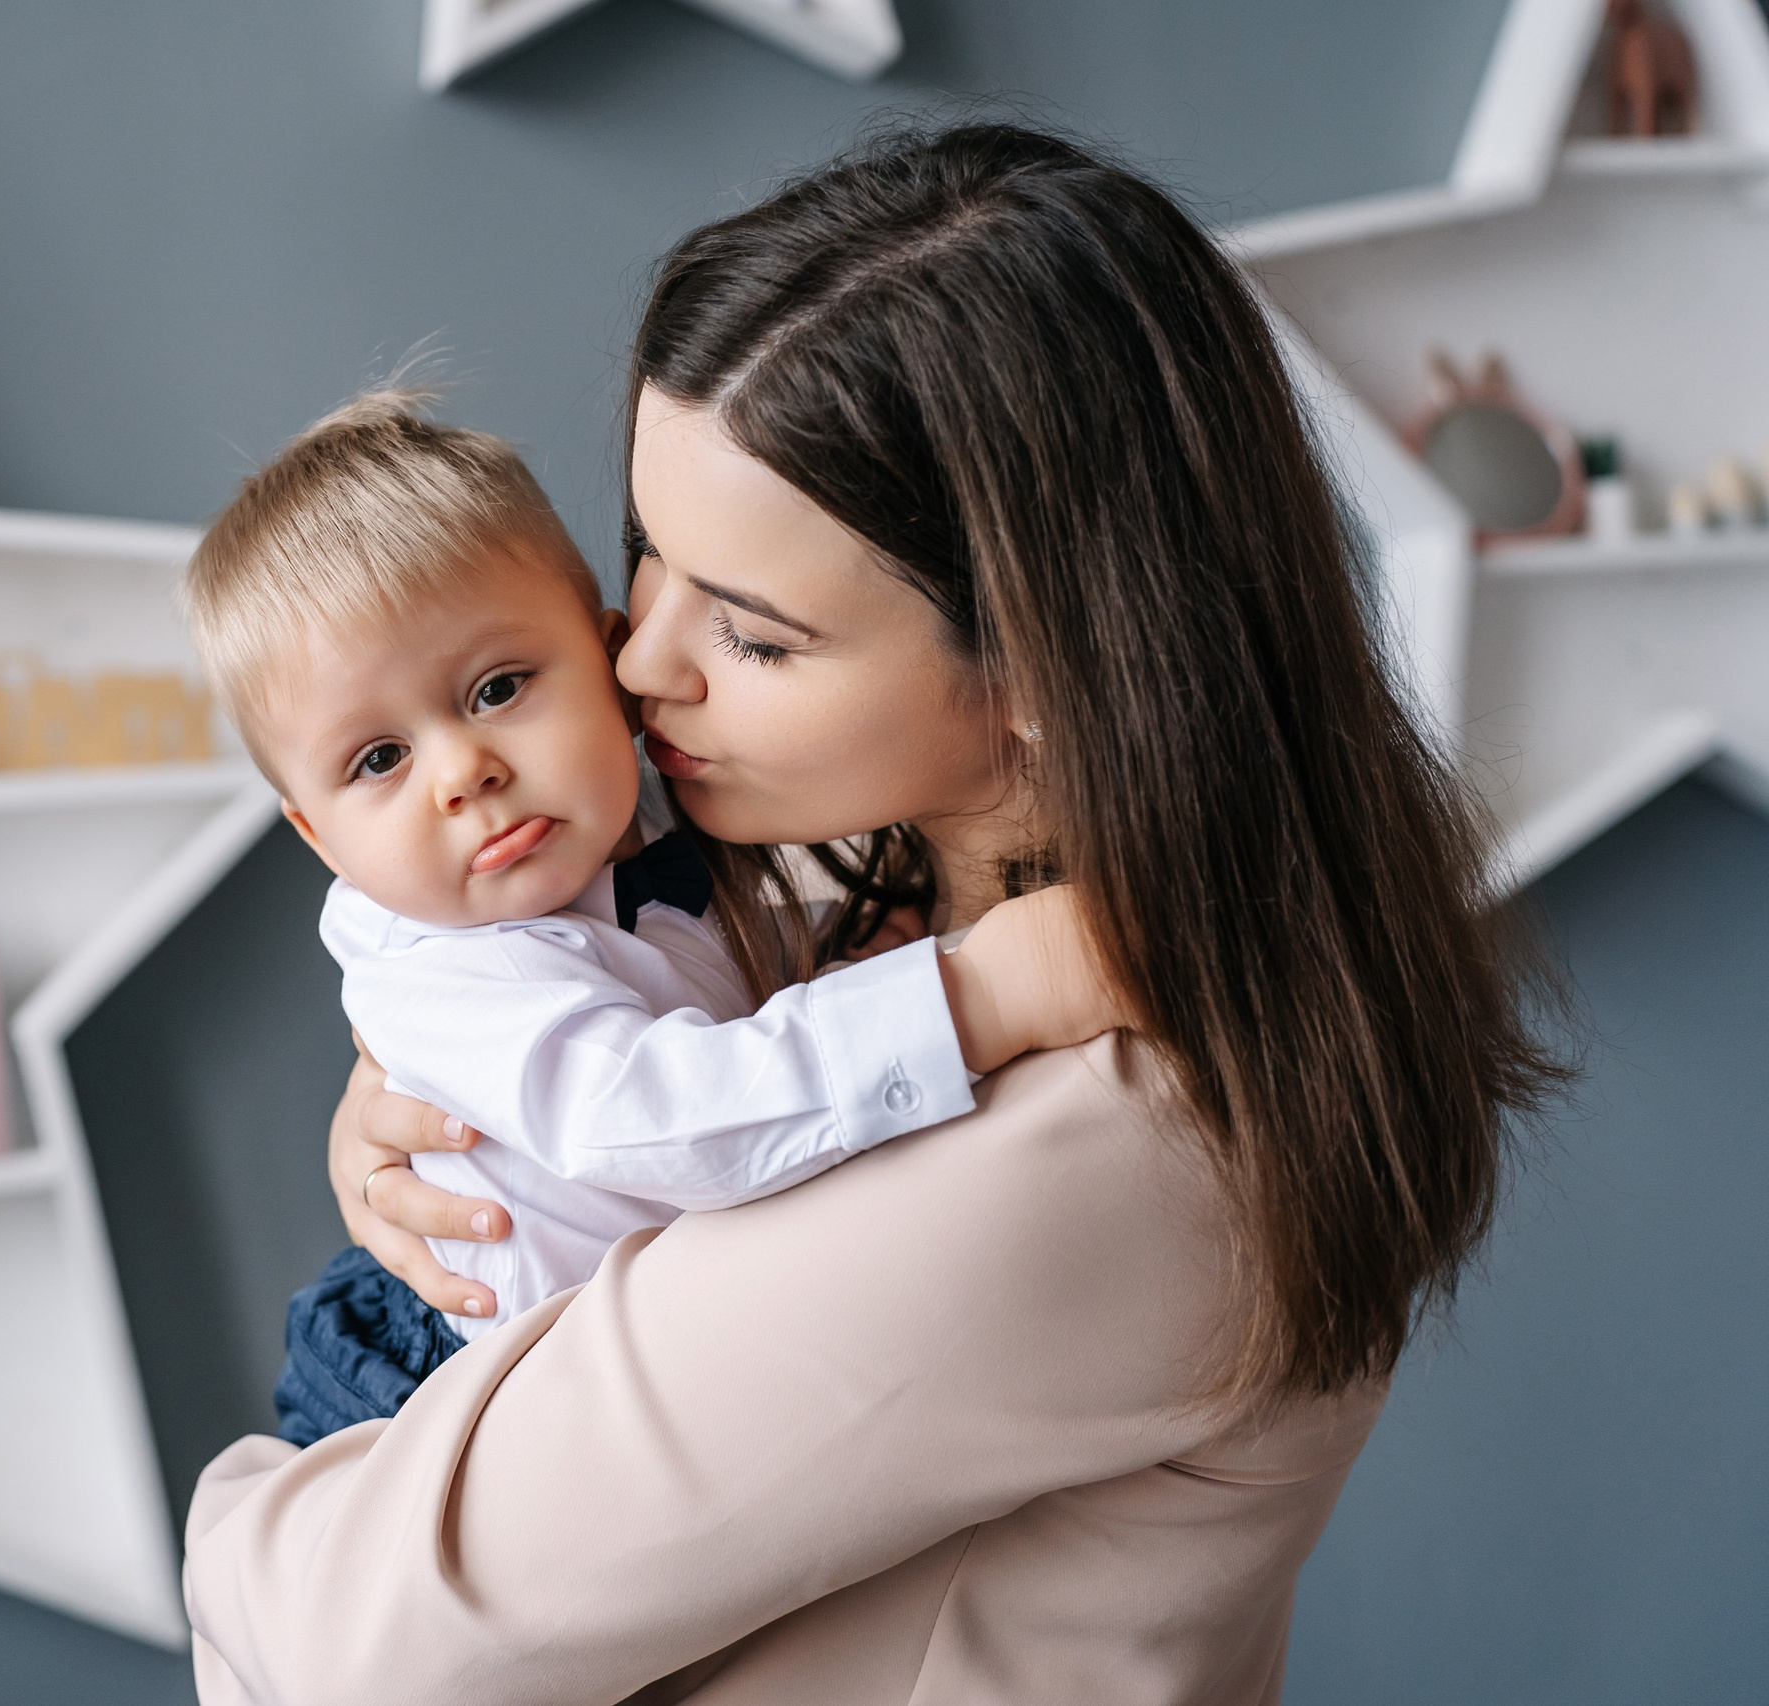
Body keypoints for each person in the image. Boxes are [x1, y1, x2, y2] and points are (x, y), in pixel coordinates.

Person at [180, 123, 1567, 1704]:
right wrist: (429, 1104)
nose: (639, 664)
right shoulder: (890, 886)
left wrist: (242, 1524)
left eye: (756, 636)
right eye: (648, 561)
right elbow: (648, 1062)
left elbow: (326, 1654)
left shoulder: (1097, 1132)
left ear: (1047, 672)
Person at [180, 389, 1119, 1447]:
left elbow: (720, 962)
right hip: (424, 1379)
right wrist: (979, 992)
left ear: (606, 659)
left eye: (497, 688)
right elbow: (665, 1115)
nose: (462, 770)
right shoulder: (449, 973)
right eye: (377, 760)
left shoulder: (689, 810)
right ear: (318, 837)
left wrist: (844, 953)